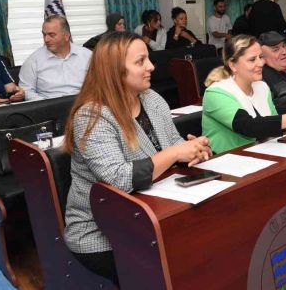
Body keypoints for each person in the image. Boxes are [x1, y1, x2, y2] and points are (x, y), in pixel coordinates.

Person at [64, 32, 212, 285]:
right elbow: (119, 179)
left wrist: (193, 150)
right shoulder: (92, 116)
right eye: (140, 61)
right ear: (114, 70)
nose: (151, 67)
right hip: (103, 231)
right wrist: (175, 153)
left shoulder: (151, 99)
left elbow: (172, 144)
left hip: (153, 212)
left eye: (148, 59)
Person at [202, 35, 286, 154]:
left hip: (261, 154)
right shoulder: (216, 92)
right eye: (252, 60)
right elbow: (249, 126)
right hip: (227, 161)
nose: (261, 63)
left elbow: (273, 128)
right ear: (232, 65)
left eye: (261, 57)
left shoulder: (262, 87)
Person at [19, 15, 92, 101]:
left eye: (51, 35)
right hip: (49, 105)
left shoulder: (88, 56)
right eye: (44, 35)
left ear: (66, 36)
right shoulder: (33, 60)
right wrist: (45, 104)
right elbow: (26, 90)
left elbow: (100, 83)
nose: (46, 39)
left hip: (84, 103)